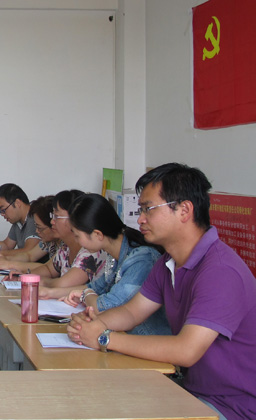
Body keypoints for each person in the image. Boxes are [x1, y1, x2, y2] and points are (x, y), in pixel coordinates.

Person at [67, 163, 256, 420]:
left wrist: (104, 338)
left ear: (184, 210)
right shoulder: (168, 262)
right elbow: (132, 313)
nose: (140, 219)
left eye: (148, 209)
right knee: (98, 401)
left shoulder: (221, 271)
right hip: (192, 392)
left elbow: (186, 350)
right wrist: (93, 325)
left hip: (232, 407)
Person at [37, 193, 171, 336]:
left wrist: (85, 295)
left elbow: (104, 306)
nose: (76, 241)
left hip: (143, 340)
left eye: (77, 236)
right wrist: (49, 293)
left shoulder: (141, 259)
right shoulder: (114, 255)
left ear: (97, 235)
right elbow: (95, 287)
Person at [29, 190, 107, 288]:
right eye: (52, 216)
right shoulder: (65, 247)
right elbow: (48, 269)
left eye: (57, 216)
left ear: (75, 217)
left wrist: (39, 281)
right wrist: (24, 276)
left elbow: (62, 285)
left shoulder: (91, 251)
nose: (52, 221)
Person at [0, 195, 60, 273]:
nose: (37, 231)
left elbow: (47, 268)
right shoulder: (48, 242)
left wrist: (10, 264)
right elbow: (29, 255)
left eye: (40, 228)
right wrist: (5, 259)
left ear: (53, 225)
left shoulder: (64, 247)